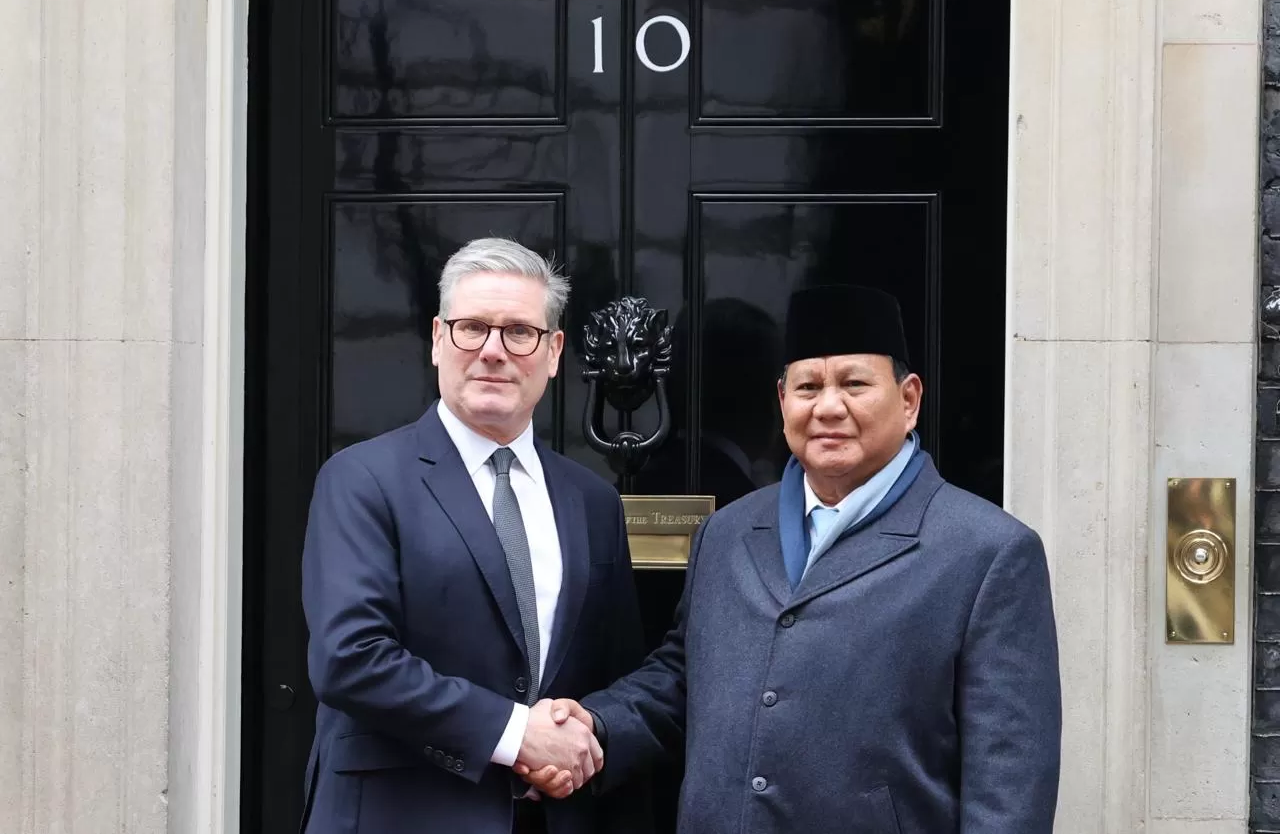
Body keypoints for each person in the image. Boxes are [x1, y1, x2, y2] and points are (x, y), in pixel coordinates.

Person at [520, 284, 1063, 833]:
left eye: (854, 383)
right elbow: (683, 680)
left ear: (909, 400)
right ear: (783, 402)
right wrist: (595, 724)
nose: (829, 407)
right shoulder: (727, 533)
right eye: (809, 386)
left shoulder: (987, 551)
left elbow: (1010, 780)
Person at [299, 238, 652, 834]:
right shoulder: (362, 479)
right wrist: (518, 736)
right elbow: (349, 659)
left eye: (519, 331)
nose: (493, 351)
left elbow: (616, 667)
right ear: (439, 338)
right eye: (472, 328)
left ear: (554, 351)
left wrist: (587, 732)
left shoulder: (592, 501)